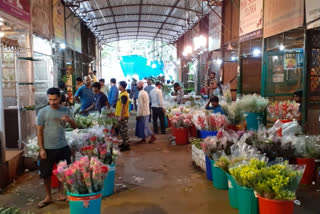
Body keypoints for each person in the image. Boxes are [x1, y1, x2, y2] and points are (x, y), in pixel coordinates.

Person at [37, 88, 77, 208]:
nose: (52, 102)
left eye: (55, 99)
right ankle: (48, 196)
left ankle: (61, 193)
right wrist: (41, 148)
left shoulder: (66, 110)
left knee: (63, 172)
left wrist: (69, 120)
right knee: (46, 174)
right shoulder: (43, 112)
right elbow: (39, 131)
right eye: (50, 99)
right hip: (47, 148)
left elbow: (75, 126)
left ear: (59, 98)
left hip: (62, 146)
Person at [115, 81, 130, 151]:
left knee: (124, 131)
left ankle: (126, 145)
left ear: (121, 86)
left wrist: (121, 116)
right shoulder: (121, 94)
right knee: (122, 131)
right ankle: (124, 143)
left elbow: (123, 106)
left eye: (119, 85)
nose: (118, 86)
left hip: (123, 116)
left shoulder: (124, 95)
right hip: (120, 115)